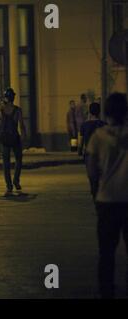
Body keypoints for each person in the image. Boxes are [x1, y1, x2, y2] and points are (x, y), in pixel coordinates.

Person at [86, 92, 128, 299]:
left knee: (106, 252)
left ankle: (107, 291)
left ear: (108, 112)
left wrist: (95, 191)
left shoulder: (98, 136)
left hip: (107, 199)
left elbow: (92, 171)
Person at [0, 88, 27, 196]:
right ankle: (16, 180)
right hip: (15, 138)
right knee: (19, 160)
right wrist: (24, 136)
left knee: (6, 163)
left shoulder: (1, 110)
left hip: (4, 139)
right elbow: (22, 125)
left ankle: (9, 186)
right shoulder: (17, 110)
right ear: (13, 98)